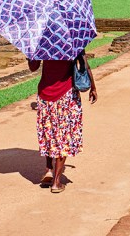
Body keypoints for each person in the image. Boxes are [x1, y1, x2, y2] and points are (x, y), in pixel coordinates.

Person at [28, 49, 97, 193]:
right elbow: (85, 65)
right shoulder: (71, 41)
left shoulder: (42, 43)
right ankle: (56, 182)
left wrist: (29, 54)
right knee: (64, 136)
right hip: (66, 94)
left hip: (45, 94)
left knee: (49, 132)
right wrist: (93, 88)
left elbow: (33, 67)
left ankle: (49, 169)